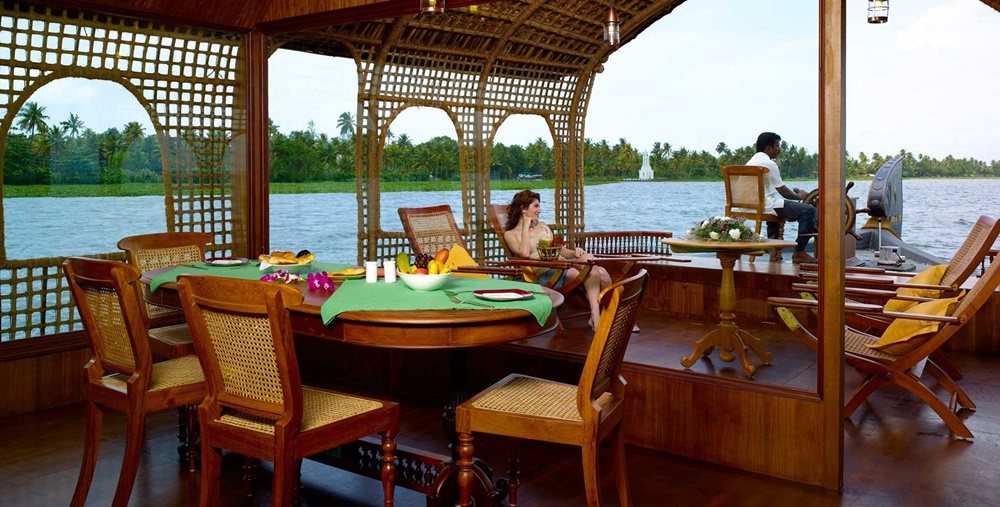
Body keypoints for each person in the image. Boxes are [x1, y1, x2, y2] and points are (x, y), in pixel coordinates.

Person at [504, 189, 612, 330]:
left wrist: (575, 252)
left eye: (539, 206)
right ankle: (607, 316)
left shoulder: (543, 225)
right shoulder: (511, 234)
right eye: (535, 206)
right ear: (523, 209)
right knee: (599, 272)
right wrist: (525, 226)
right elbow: (524, 253)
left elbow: (560, 250)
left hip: (564, 265)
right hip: (549, 274)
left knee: (587, 259)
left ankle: (597, 318)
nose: (539, 210)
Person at [745, 132, 818, 264]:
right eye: (777, 146)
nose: (779, 149)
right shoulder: (768, 163)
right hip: (765, 205)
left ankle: (774, 253)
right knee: (809, 211)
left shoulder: (750, 162)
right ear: (768, 148)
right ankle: (799, 252)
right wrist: (799, 196)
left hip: (748, 206)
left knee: (777, 210)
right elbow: (783, 191)